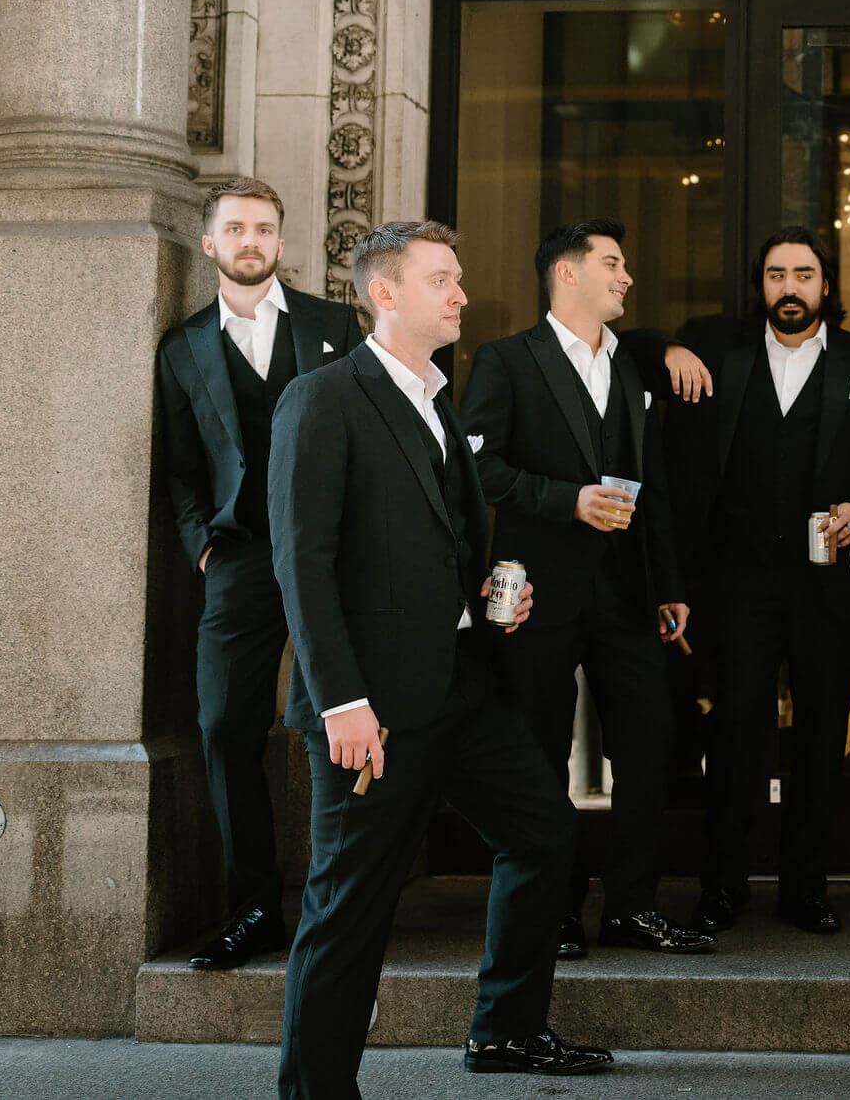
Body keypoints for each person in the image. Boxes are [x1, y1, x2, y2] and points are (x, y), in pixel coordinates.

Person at [270, 220, 610, 1095]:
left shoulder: (438, 401)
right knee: (348, 912)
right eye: (443, 280)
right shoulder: (325, 398)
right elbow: (302, 562)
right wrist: (339, 698)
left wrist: (495, 595)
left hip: (463, 685)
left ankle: (505, 1029)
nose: (462, 294)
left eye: (458, 279)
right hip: (370, 708)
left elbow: (444, 540)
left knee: (544, 830)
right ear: (385, 293)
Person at [633, 227, 850, 936]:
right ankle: (722, 885)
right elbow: (625, 345)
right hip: (737, 584)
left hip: (828, 586)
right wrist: (664, 348)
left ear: (826, 285)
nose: (790, 286)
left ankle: (806, 889)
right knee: (735, 734)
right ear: (763, 285)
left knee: (821, 738)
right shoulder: (715, 349)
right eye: (777, 274)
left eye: (804, 274)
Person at [458, 219, 708, 958]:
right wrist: (563, 498)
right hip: (539, 590)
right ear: (567, 274)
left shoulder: (631, 367)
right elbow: (477, 468)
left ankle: (631, 904)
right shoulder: (507, 360)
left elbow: (650, 481)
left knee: (648, 743)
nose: (626, 277)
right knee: (539, 747)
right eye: (613, 264)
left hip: (628, 592)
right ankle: (552, 907)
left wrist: (669, 583)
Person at [154, 177, 360, 970]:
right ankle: (253, 908)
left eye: (264, 228)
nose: (251, 241)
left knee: (338, 720)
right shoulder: (182, 347)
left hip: (329, 556)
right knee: (224, 727)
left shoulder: (334, 325)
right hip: (238, 558)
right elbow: (180, 467)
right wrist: (202, 543)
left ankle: (341, 899)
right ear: (209, 243)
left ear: (281, 241)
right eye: (235, 228)